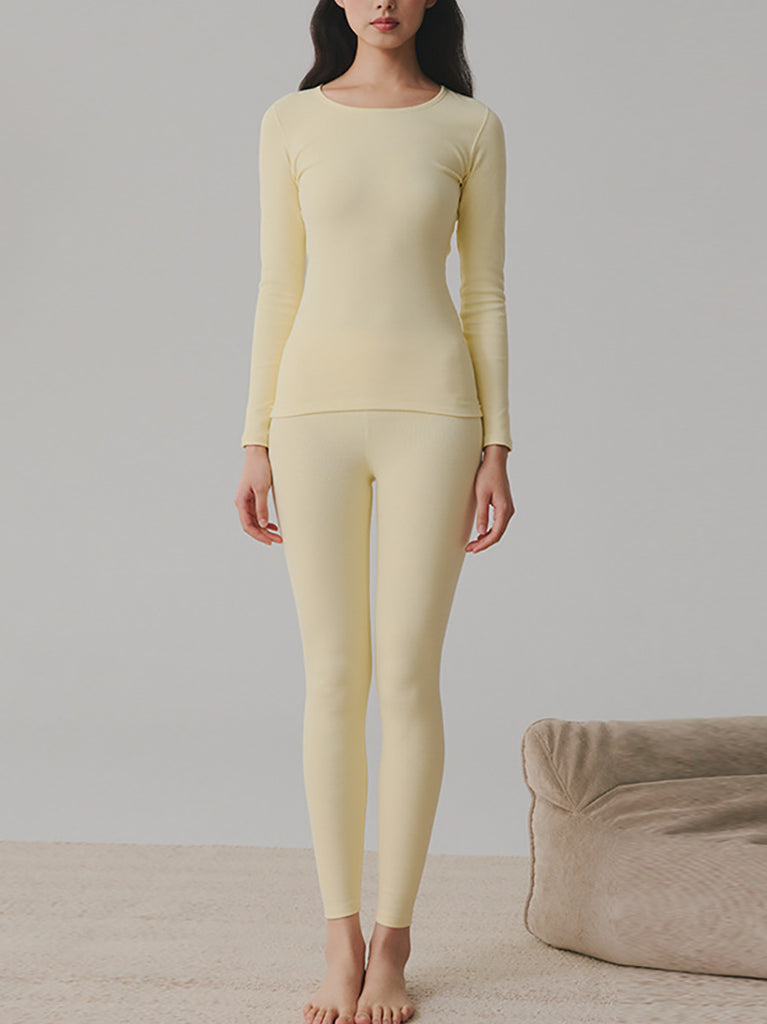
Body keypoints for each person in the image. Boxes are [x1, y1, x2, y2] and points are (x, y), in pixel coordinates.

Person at [234, 2, 515, 1022]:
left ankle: (393, 943)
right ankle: (338, 937)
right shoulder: (290, 120)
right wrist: (254, 437)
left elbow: (483, 292)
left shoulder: (469, 127)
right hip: (309, 417)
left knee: (404, 675)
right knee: (332, 674)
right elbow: (278, 285)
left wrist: (496, 443)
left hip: (433, 416)